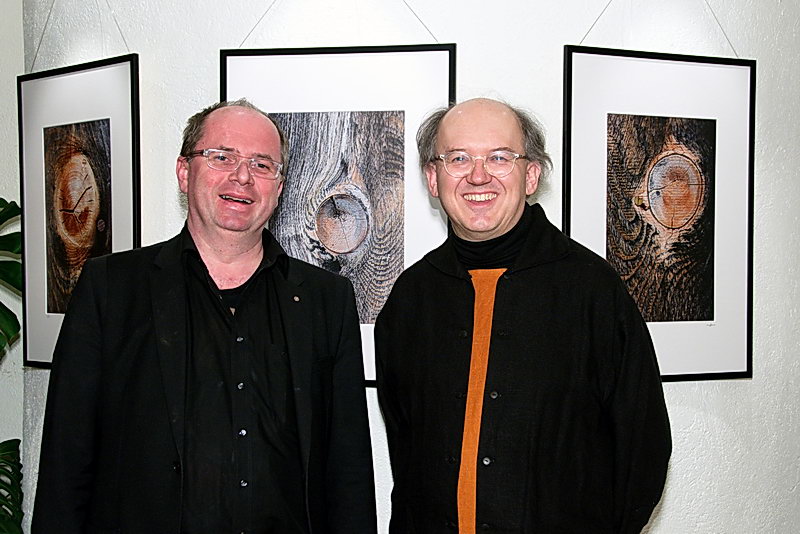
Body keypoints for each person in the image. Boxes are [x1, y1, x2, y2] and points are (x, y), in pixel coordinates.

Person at [32, 99, 378, 534]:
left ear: (279, 187)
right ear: (184, 172)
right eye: (222, 157)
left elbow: (348, 467)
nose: (242, 177)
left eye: (262, 164)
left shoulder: (326, 299)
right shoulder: (110, 289)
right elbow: (67, 459)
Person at [375, 98, 671, 533]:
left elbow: (642, 446)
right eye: (458, 158)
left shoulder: (592, 290)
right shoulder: (410, 299)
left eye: (499, 157)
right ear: (433, 178)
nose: (478, 176)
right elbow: (406, 445)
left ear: (530, 175)